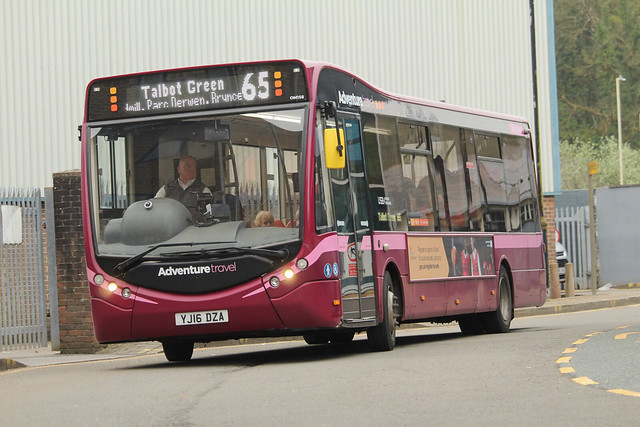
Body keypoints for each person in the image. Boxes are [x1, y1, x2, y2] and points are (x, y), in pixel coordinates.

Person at [155, 155, 212, 220]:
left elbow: (209, 215)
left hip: (195, 228)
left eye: (194, 166)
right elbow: (155, 208)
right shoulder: (167, 189)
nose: (191, 169)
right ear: (179, 169)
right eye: (188, 166)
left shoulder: (203, 190)